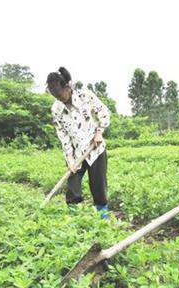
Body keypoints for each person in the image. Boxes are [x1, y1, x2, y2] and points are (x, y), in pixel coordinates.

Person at [47, 67, 111, 219]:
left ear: (67, 87)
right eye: (55, 96)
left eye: (60, 94)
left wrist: (99, 132)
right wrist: (69, 159)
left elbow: (104, 113)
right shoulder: (56, 109)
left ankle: (103, 220)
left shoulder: (85, 96)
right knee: (73, 188)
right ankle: (75, 221)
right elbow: (63, 135)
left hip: (95, 150)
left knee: (98, 187)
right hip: (76, 154)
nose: (59, 98)